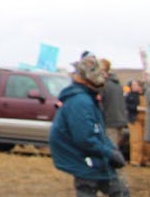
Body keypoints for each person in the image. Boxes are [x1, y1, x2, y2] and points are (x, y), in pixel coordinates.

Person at [49, 52, 129, 196]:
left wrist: (111, 150)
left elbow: (98, 132)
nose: (103, 77)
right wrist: (110, 153)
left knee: (119, 191)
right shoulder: (81, 102)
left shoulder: (86, 98)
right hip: (88, 164)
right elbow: (85, 138)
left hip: (94, 162)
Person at [100, 58, 129, 150]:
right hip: (119, 119)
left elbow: (100, 104)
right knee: (113, 147)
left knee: (109, 150)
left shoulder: (104, 85)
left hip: (110, 121)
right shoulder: (117, 84)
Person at [125, 79, 147, 166]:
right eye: (132, 85)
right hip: (134, 119)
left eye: (135, 85)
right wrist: (137, 108)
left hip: (146, 120)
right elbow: (126, 105)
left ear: (140, 87)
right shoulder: (130, 95)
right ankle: (135, 161)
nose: (132, 86)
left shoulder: (147, 95)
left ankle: (144, 160)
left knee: (146, 141)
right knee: (136, 140)